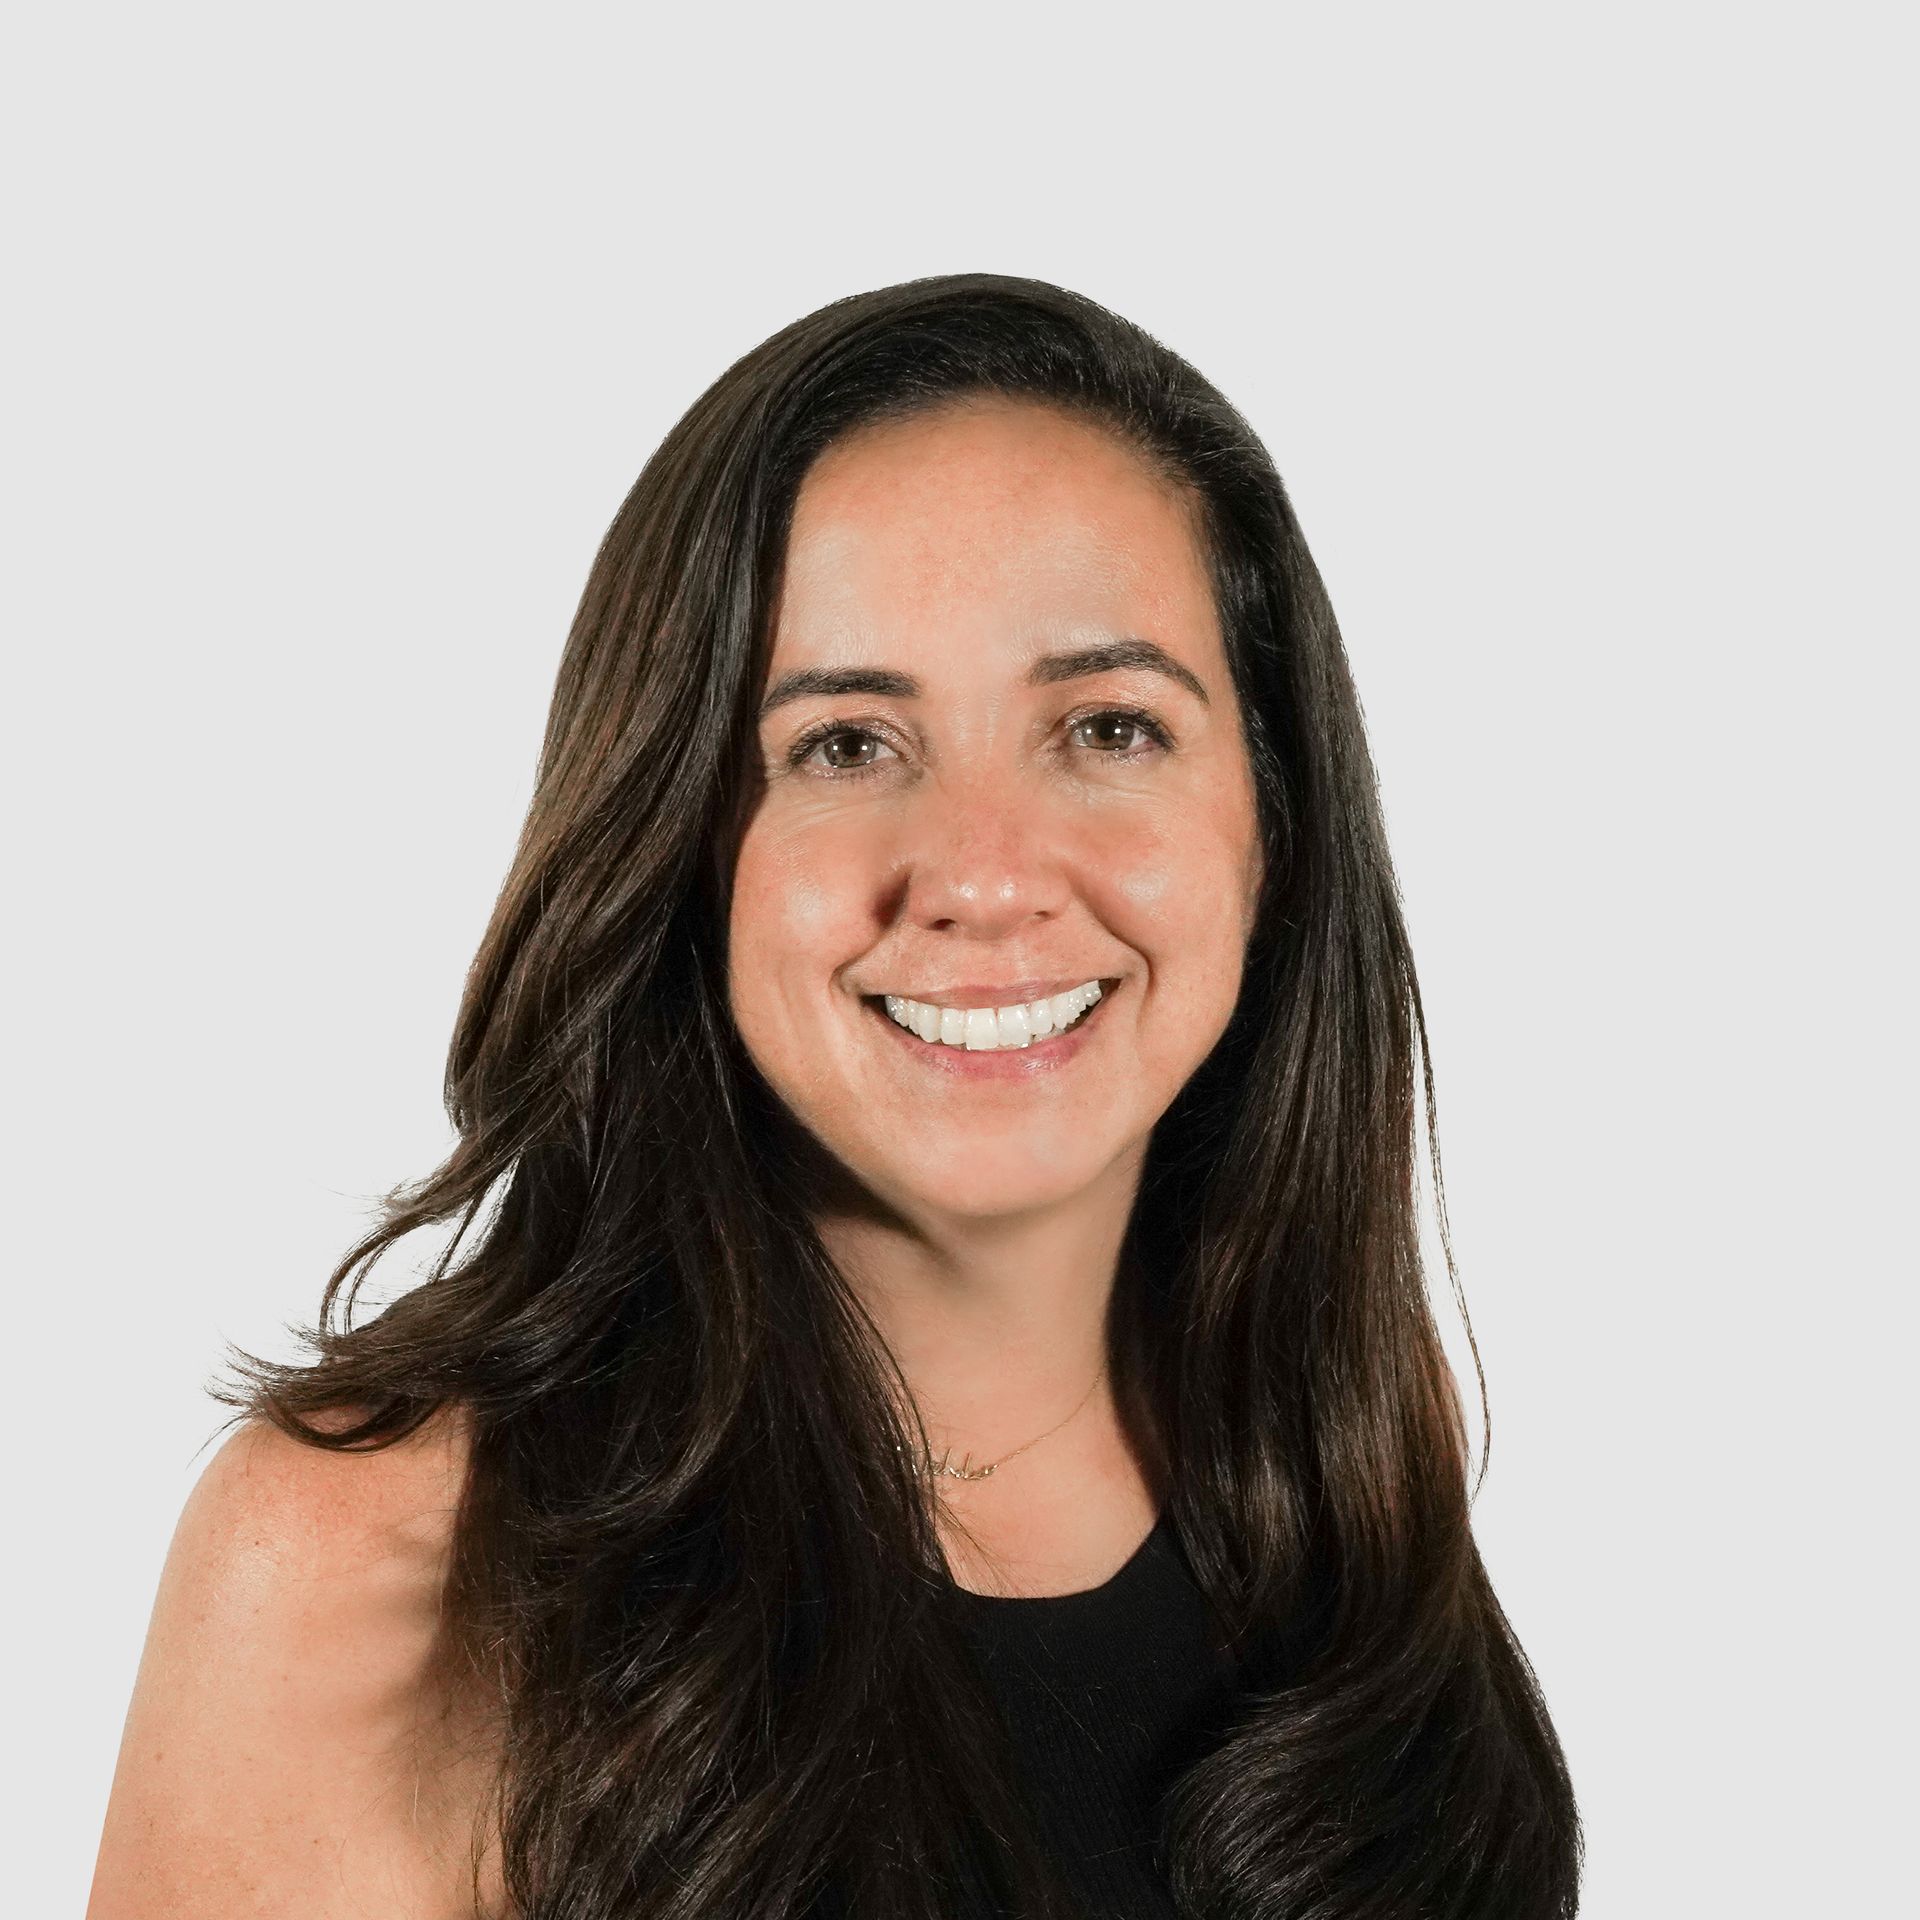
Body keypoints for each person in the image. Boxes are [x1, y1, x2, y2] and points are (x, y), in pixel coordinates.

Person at [87, 273, 1582, 1920]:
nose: (985, 877)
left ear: (1273, 828)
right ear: (685, 847)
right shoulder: (375, 1563)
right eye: (848, 747)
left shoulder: (1341, 1441)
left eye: (1105, 725)